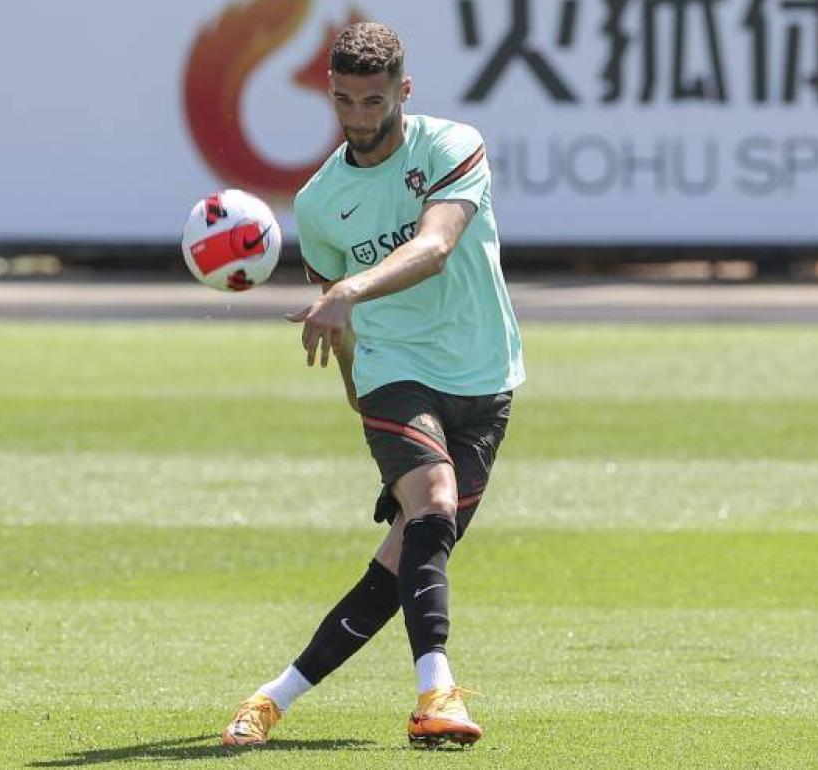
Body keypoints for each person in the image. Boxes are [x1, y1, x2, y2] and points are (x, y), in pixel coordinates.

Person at [221, 21, 524, 750]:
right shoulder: (321, 201)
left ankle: (272, 698)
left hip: (483, 375)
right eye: (344, 101)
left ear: (403, 91)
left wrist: (349, 290)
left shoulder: (453, 146)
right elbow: (340, 321)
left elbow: (436, 245)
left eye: (373, 101)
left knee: (406, 556)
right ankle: (436, 695)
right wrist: (361, 394)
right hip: (394, 372)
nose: (358, 118)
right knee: (435, 503)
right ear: (329, 92)